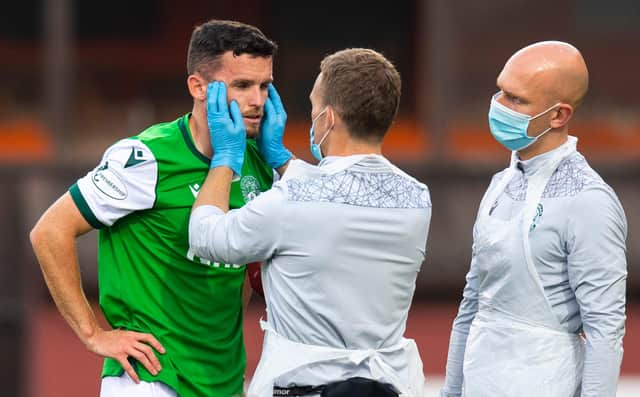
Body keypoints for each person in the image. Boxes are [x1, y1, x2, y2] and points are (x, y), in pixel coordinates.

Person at [29, 19, 289, 397]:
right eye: (242, 85)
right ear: (198, 87)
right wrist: (93, 333)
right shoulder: (146, 158)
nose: (258, 101)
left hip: (224, 378)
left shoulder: (258, 161)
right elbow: (50, 232)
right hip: (151, 377)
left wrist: (281, 162)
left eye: (265, 86)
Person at [188, 48, 431, 397]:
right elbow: (341, 198)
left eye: (315, 107)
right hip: (391, 385)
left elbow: (206, 236)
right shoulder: (418, 198)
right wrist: (283, 160)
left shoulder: (290, 202)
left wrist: (226, 157)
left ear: (328, 118)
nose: (313, 114)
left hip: (303, 386)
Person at [439, 41, 627, 397]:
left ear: (558, 116)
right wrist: (450, 392)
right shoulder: (501, 184)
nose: (498, 105)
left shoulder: (588, 200)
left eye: (516, 100)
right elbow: (472, 303)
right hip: (480, 382)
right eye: (500, 91)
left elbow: (605, 328)